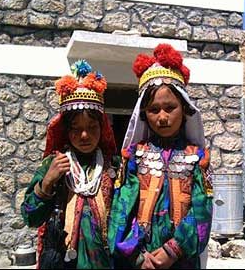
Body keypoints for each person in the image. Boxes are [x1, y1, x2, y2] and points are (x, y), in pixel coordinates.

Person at [108, 44, 213, 269]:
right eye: (154, 110)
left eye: (170, 107)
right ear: (144, 115)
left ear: (184, 110)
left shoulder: (197, 158)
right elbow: (121, 210)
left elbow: (202, 209)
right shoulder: (134, 156)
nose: (162, 117)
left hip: (181, 260)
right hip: (142, 259)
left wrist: (173, 250)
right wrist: (137, 255)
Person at [21, 59, 118, 269]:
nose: (85, 135)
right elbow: (30, 217)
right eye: (76, 128)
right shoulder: (54, 164)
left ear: (102, 129)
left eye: (92, 127)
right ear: (65, 130)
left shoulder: (113, 168)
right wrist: (46, 184)